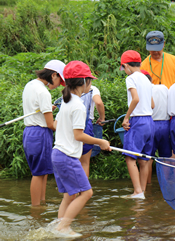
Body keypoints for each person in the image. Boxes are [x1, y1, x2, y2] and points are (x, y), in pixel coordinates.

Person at [51, 61, 111, 237]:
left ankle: (59, 228)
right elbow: (78, 135)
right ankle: (64, 227)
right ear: (84, 81)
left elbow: (59, 126)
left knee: (69, 195)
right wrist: (100, 141)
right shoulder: (78, 105)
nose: (90, 84)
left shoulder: (65, 101)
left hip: (58, 154)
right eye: (90, 81)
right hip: (66, 156)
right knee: (86, 192)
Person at [22, 59, 66, 206]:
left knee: (42, 171)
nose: (60, 85)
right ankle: (36, 209)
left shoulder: (30, 85)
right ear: (54, 75)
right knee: (38, 173)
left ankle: (42, 202)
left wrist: (48, 109)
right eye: (60, 81)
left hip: (29, 131)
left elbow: (35, 109)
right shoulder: (43, 92)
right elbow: (50, 124)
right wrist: (64, 124)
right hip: (40, 133)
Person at [120, 50, 155, 199]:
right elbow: (152, 104)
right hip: (150, 122)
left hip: (138, 121)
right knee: (144, 159)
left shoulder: (131, 78)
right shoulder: (146, 79)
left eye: (123, 68)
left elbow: (135, 99)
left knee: (130, 157)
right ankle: (142, 192)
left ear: (126, 66)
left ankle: (137, 191)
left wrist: (126, 118)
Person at [141, 70, 172, 184]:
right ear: (151, 79)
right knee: (166, 158)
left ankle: (148, 185)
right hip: (165, 125)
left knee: (148, 158)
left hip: (151, 124)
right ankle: (166, 184)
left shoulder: (143, 92)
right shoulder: (163, 88)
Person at [79, 84, 106, 177]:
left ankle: (73, 191)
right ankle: (83, 190)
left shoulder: (69, 89)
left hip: (70, 125)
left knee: (73, 162)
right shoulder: (92, 89)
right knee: (84, 163)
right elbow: (98, 102)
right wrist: (102, 118)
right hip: (86, 124)